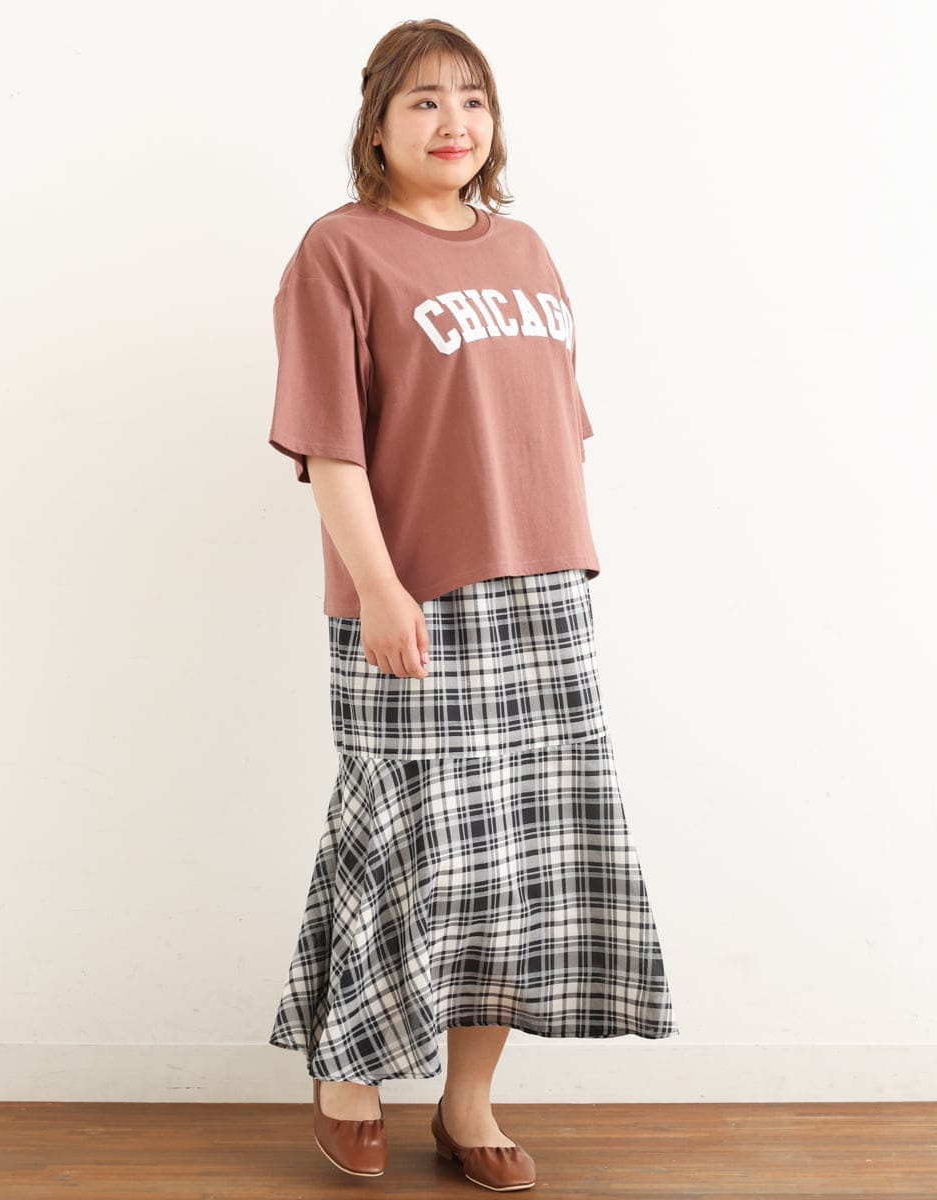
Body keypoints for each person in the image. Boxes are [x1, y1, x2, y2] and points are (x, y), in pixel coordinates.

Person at [265, 18, 679, 1190]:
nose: (453, 122)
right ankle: (349, 1077)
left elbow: (548, 428)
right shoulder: (340, 250)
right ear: (377, 125)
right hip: (413, 595)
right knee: (401, 841)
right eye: (425, 101)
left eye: (472, 100)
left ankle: (468, 1105)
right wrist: (379, 586)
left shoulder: (526, 248)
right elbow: (330, 445)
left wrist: (557, 567)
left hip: (542, 587)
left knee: (517, 858)